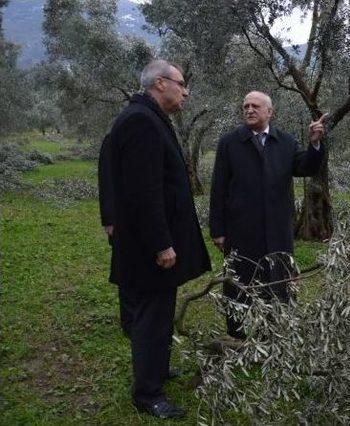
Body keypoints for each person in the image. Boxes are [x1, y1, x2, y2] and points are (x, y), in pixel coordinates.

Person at [108, 59, 211, 419]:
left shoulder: (146, 116)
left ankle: (156, 369)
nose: (186, 91)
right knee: (152, 316)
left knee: (159, 313)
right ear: (160, 83)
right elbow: (143, 191)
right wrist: (161, 244)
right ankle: (148, 393)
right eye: (181, 83)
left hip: (144, 243)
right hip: (149, 248)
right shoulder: (141, 121)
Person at [209, 90, 326, 339]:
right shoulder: (229, 143)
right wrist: (217, 230)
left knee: (276, 280)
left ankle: (273, 332)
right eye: (245, 106)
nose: (249, 110)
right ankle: (237, 334)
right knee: (239, 280)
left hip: (277, 228)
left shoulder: (285, 141)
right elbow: (218, 189)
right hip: (241, 228)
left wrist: (315, 144)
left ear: (270, 112)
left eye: (255, 106)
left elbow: (305, 167)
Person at [98, 133, 133, 338]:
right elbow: (106, 178)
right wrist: (109, 219)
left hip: (142, 219)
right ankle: (128, 320)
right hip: (121, 219)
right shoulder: (113, 138)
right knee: (125, 269)